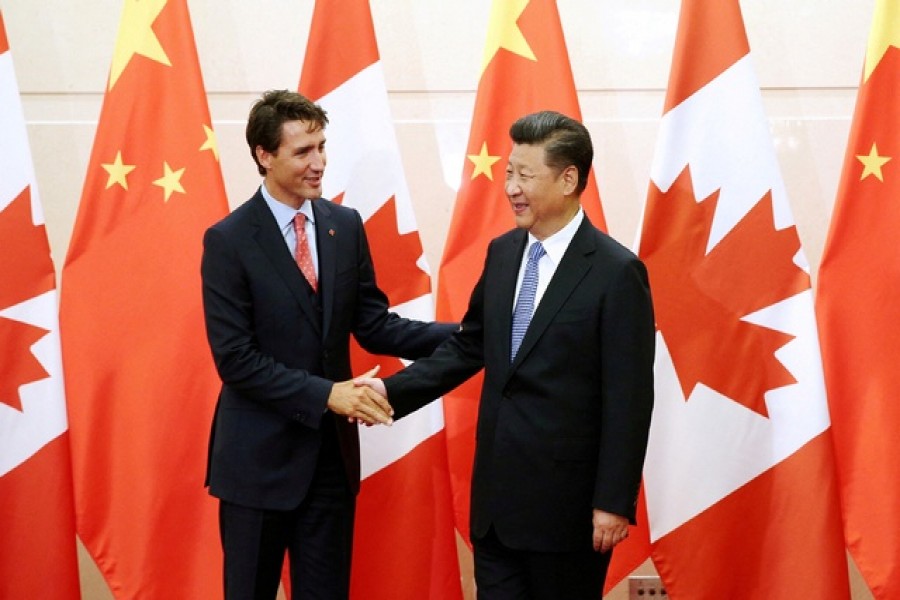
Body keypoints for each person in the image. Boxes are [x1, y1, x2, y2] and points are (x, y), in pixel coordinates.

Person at [358, 110, 656, 599]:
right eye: (508, 173)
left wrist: (613, 501)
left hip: (569, 513)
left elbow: (629, 398)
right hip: (496, 509)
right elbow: (471, 344)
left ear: (568, 179)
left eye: (525, 175)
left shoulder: (616, 273)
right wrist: (390, 391)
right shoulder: (503, 253)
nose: (511, 187)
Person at [200, 89, 456, 600]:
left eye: (321, 146)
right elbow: (236, 359)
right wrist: (327, 395)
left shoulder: (345, 226)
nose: (319, 163)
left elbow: (376, 326)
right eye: (302, 152)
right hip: (256, 466)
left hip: (329, 466)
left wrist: (474, 335)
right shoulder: (228, 240)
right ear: (264, 156)